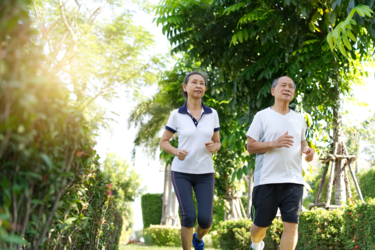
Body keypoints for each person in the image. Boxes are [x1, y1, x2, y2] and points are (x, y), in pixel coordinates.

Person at [246, 76, 315, 250]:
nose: (287, 88)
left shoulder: (299, 119)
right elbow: (251, 146)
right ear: (273, 91)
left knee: (292, 226)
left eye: (291, 86)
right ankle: (256, 244)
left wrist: (307, 150)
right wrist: (274, 143)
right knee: (260, 226)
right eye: (283, 85)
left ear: (293, 93)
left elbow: (302, 142)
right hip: (266, 180)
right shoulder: (262, 116)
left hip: (293, 180)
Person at [159, 71, 221, 250]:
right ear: (185, 87)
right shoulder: (177, 114)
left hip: (205, 173)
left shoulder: (212, 114)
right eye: (194, 82)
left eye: (202, 83)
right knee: (189, 216)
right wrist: (176, 151)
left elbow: (218, 142)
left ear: (205, 89)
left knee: (206, 221)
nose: (199, 85)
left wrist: (214, 146)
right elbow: (164, 142)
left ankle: (198, 239)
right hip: (181, 172)